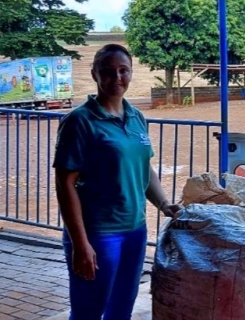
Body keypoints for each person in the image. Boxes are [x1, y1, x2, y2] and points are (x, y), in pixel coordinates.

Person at [54, 44, 180, 319]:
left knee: (122, 308)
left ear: (131, 73)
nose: (117, 78)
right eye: (108, 72)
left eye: (123, 71)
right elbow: (65, 184)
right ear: (95, 74)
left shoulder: (137, 118)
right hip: (98, 233)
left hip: (135, 231)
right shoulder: (79, 121)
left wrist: (164, 204)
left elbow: (144, 169)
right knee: (89, 309)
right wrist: (80, 243)